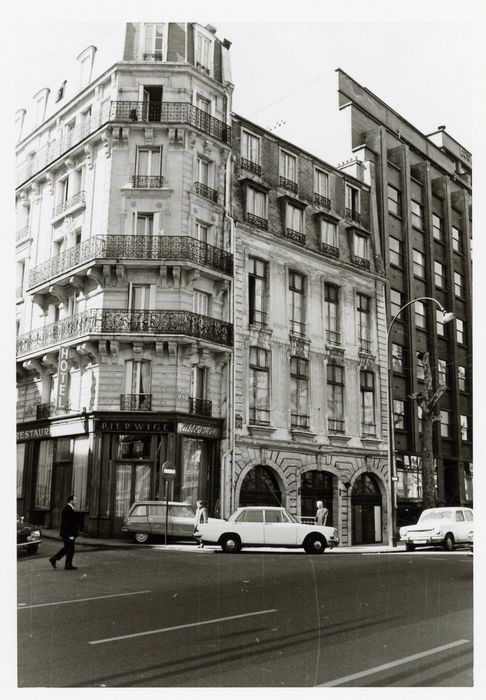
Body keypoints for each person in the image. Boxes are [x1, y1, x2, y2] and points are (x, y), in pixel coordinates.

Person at [49, 495, 79, 570]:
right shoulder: (67, 509)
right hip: (68, 533)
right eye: (75, 500)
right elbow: (66, 523)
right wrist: (70, 535)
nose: (76, 501)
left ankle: (67, 564)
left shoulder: (70, 508)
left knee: (69, 548)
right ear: (70, 501)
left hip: (68, 533)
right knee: (69, 548)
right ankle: (56, 560)